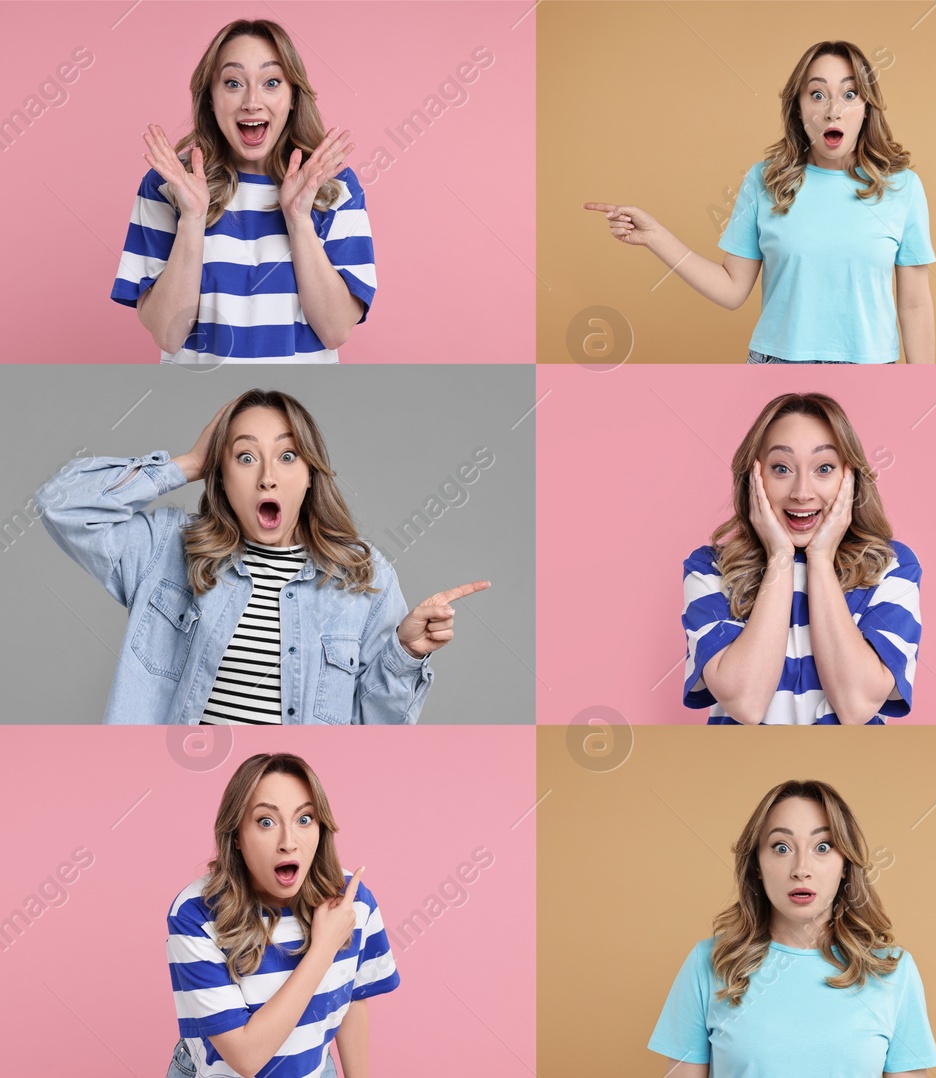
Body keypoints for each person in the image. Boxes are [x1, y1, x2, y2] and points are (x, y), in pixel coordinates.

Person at [37, 389, 488, 724]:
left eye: (288, 455)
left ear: (310, 474)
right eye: (246, 457)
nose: (268, 477)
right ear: (223, 473)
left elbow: (376, 732)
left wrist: (405, 652)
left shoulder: (362, 577)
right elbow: (61, 503)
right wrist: (188, 464)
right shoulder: (167, 549)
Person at [585, 40, 934, 363]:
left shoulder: (902, 188)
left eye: (849, 93)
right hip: (776, 366)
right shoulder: (764, 180)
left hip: (871, 367)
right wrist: (655, 237)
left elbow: (915, 304)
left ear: (866, 107)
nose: (832, 110)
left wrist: (921, 386)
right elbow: (732, 289)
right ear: (797, 109)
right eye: (816, 94)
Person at [112, 19, 374, 362]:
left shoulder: (334, 186)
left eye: (271, 82)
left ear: (293, 96)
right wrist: (192, 219)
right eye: (233, 83)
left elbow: (335, 329)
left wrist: (298, 221)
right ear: (210, 98)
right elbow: (168, 334)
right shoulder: (168, 183)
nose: (252, 102)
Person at [649, 779, 936, 1076]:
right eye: (781, 847)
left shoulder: (893, 971)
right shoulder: (708, 963)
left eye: (823, 847)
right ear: (757, 867)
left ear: (845, 866)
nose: (801, 869)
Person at [682, 393, 920, 723]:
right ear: (755, 477)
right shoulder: (709, 569)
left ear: (849, 479)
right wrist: (780, 557)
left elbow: (857, 706)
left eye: (824, 468)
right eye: (782, 468)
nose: (802, 492)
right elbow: (745, 703)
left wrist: (820, 560)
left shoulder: (892, 566)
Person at [166, 753, 396, 1078]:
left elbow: (353, 998)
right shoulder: (195, 914)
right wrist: (323, 948)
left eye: (304, 819)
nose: (289, 843)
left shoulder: (351, 901)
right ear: (236, 837)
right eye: (266, 822)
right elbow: (246, 1059)